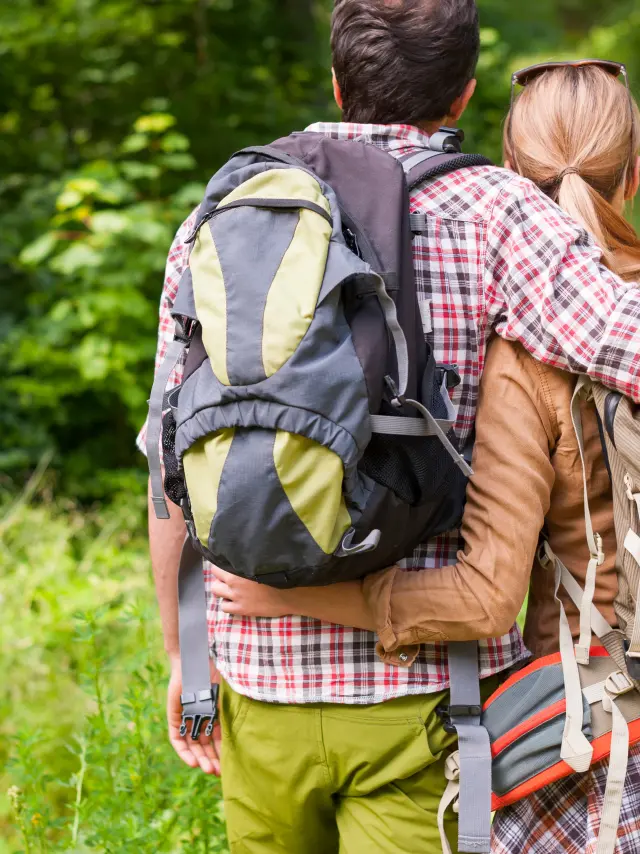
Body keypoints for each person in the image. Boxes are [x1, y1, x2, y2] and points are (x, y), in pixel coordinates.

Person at [142, 0, 640, 849]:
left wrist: (187, 661)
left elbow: (169, 466)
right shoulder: (499, 214)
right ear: (463, 96)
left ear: (337, 84)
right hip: (429, 696)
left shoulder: (226, 214)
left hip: (259, 671)